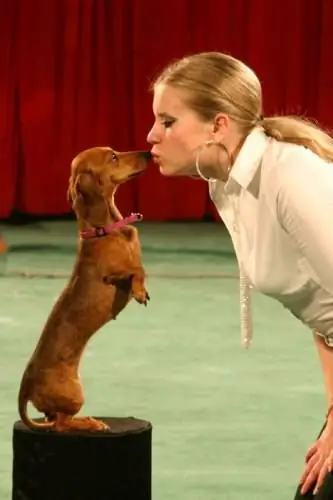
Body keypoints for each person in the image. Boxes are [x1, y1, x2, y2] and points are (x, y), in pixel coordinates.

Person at [146, 51, 333, 499]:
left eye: (168, 122)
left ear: (219, 126)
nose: (151, 135)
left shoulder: (291, 176)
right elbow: (325, 316)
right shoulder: (226, 183)